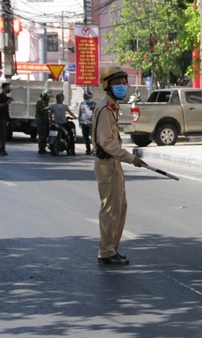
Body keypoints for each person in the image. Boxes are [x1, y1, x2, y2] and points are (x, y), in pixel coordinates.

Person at [93, 66, 147, 265]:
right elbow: (107, 142)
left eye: (124, 83)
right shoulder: (105, 108)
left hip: (114, 163)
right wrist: (132, 158)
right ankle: (106, 252)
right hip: (107, 163)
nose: (122, 86)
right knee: (110, 209)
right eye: (117, 83)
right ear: (107, 85)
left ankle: (112, 249)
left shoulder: (112, 107)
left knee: (120, 207)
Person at [0, 83, 13, 156]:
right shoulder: (0, 96)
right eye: (7, 87)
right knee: (2, 134)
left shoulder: (6, 97)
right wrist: (6, 103)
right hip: (0, 118)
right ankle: (1, 149)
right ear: (3, 88)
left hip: (4, 118)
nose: (8, 89)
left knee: (3, 134)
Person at [78, 91, 97, 155]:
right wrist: (79, 122)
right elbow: (80, 114)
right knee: (85, 137)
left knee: (93, 137)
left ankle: (94, 149)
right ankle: (88, 150)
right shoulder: (82, 104)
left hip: (92, 123)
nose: (88, 99)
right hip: (84, 123)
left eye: (89, 97)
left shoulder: (95, 104)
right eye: (86, 98)